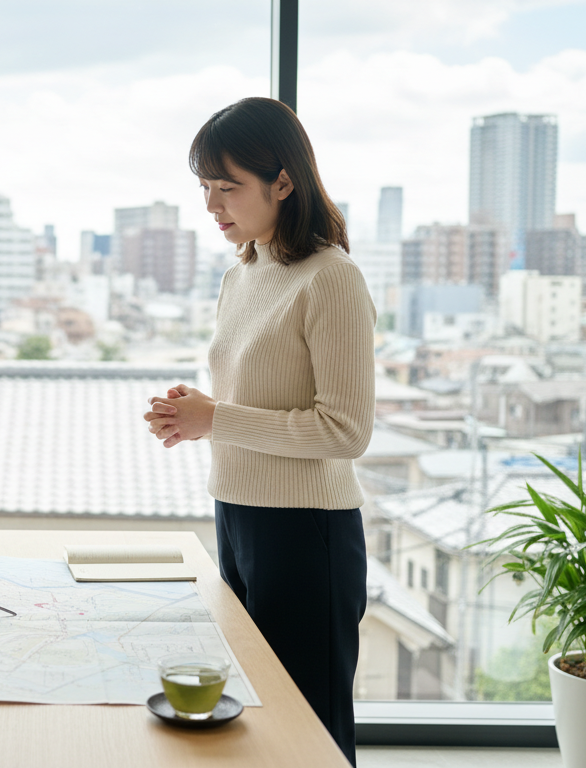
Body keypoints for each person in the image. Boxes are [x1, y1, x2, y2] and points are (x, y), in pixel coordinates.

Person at [143, 97, 374, 766]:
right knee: (256, 721)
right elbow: (263, 398)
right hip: (238, 516)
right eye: (206, 188)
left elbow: (346, 430)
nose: (214, 204)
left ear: (283, 181)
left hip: (308, 531)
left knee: (312, 731)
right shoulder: (242, 273)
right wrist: (204, 412)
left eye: (229, 186)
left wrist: (217, 418)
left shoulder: (332, 278)